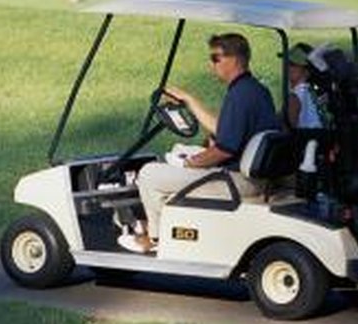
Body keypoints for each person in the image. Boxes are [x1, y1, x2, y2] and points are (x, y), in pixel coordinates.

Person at [119, 33, 279, 253]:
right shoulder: (255, 90)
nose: (211, 64)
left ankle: (154, 237)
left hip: (237, 181)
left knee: (148, 174)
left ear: (234, 59)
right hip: (253, 176)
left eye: (216, 58)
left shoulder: (240, 96)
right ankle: (160, 222)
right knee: (178, 151)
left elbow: (225, 149)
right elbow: (224, 131)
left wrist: (191, 163)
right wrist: (189, 100)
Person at [284, 43, 324, 129]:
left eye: (293, 64)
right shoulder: (316, 91)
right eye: (287, 62)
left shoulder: (294, 97)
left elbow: (287, 131)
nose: (287, 67)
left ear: (307, 70)